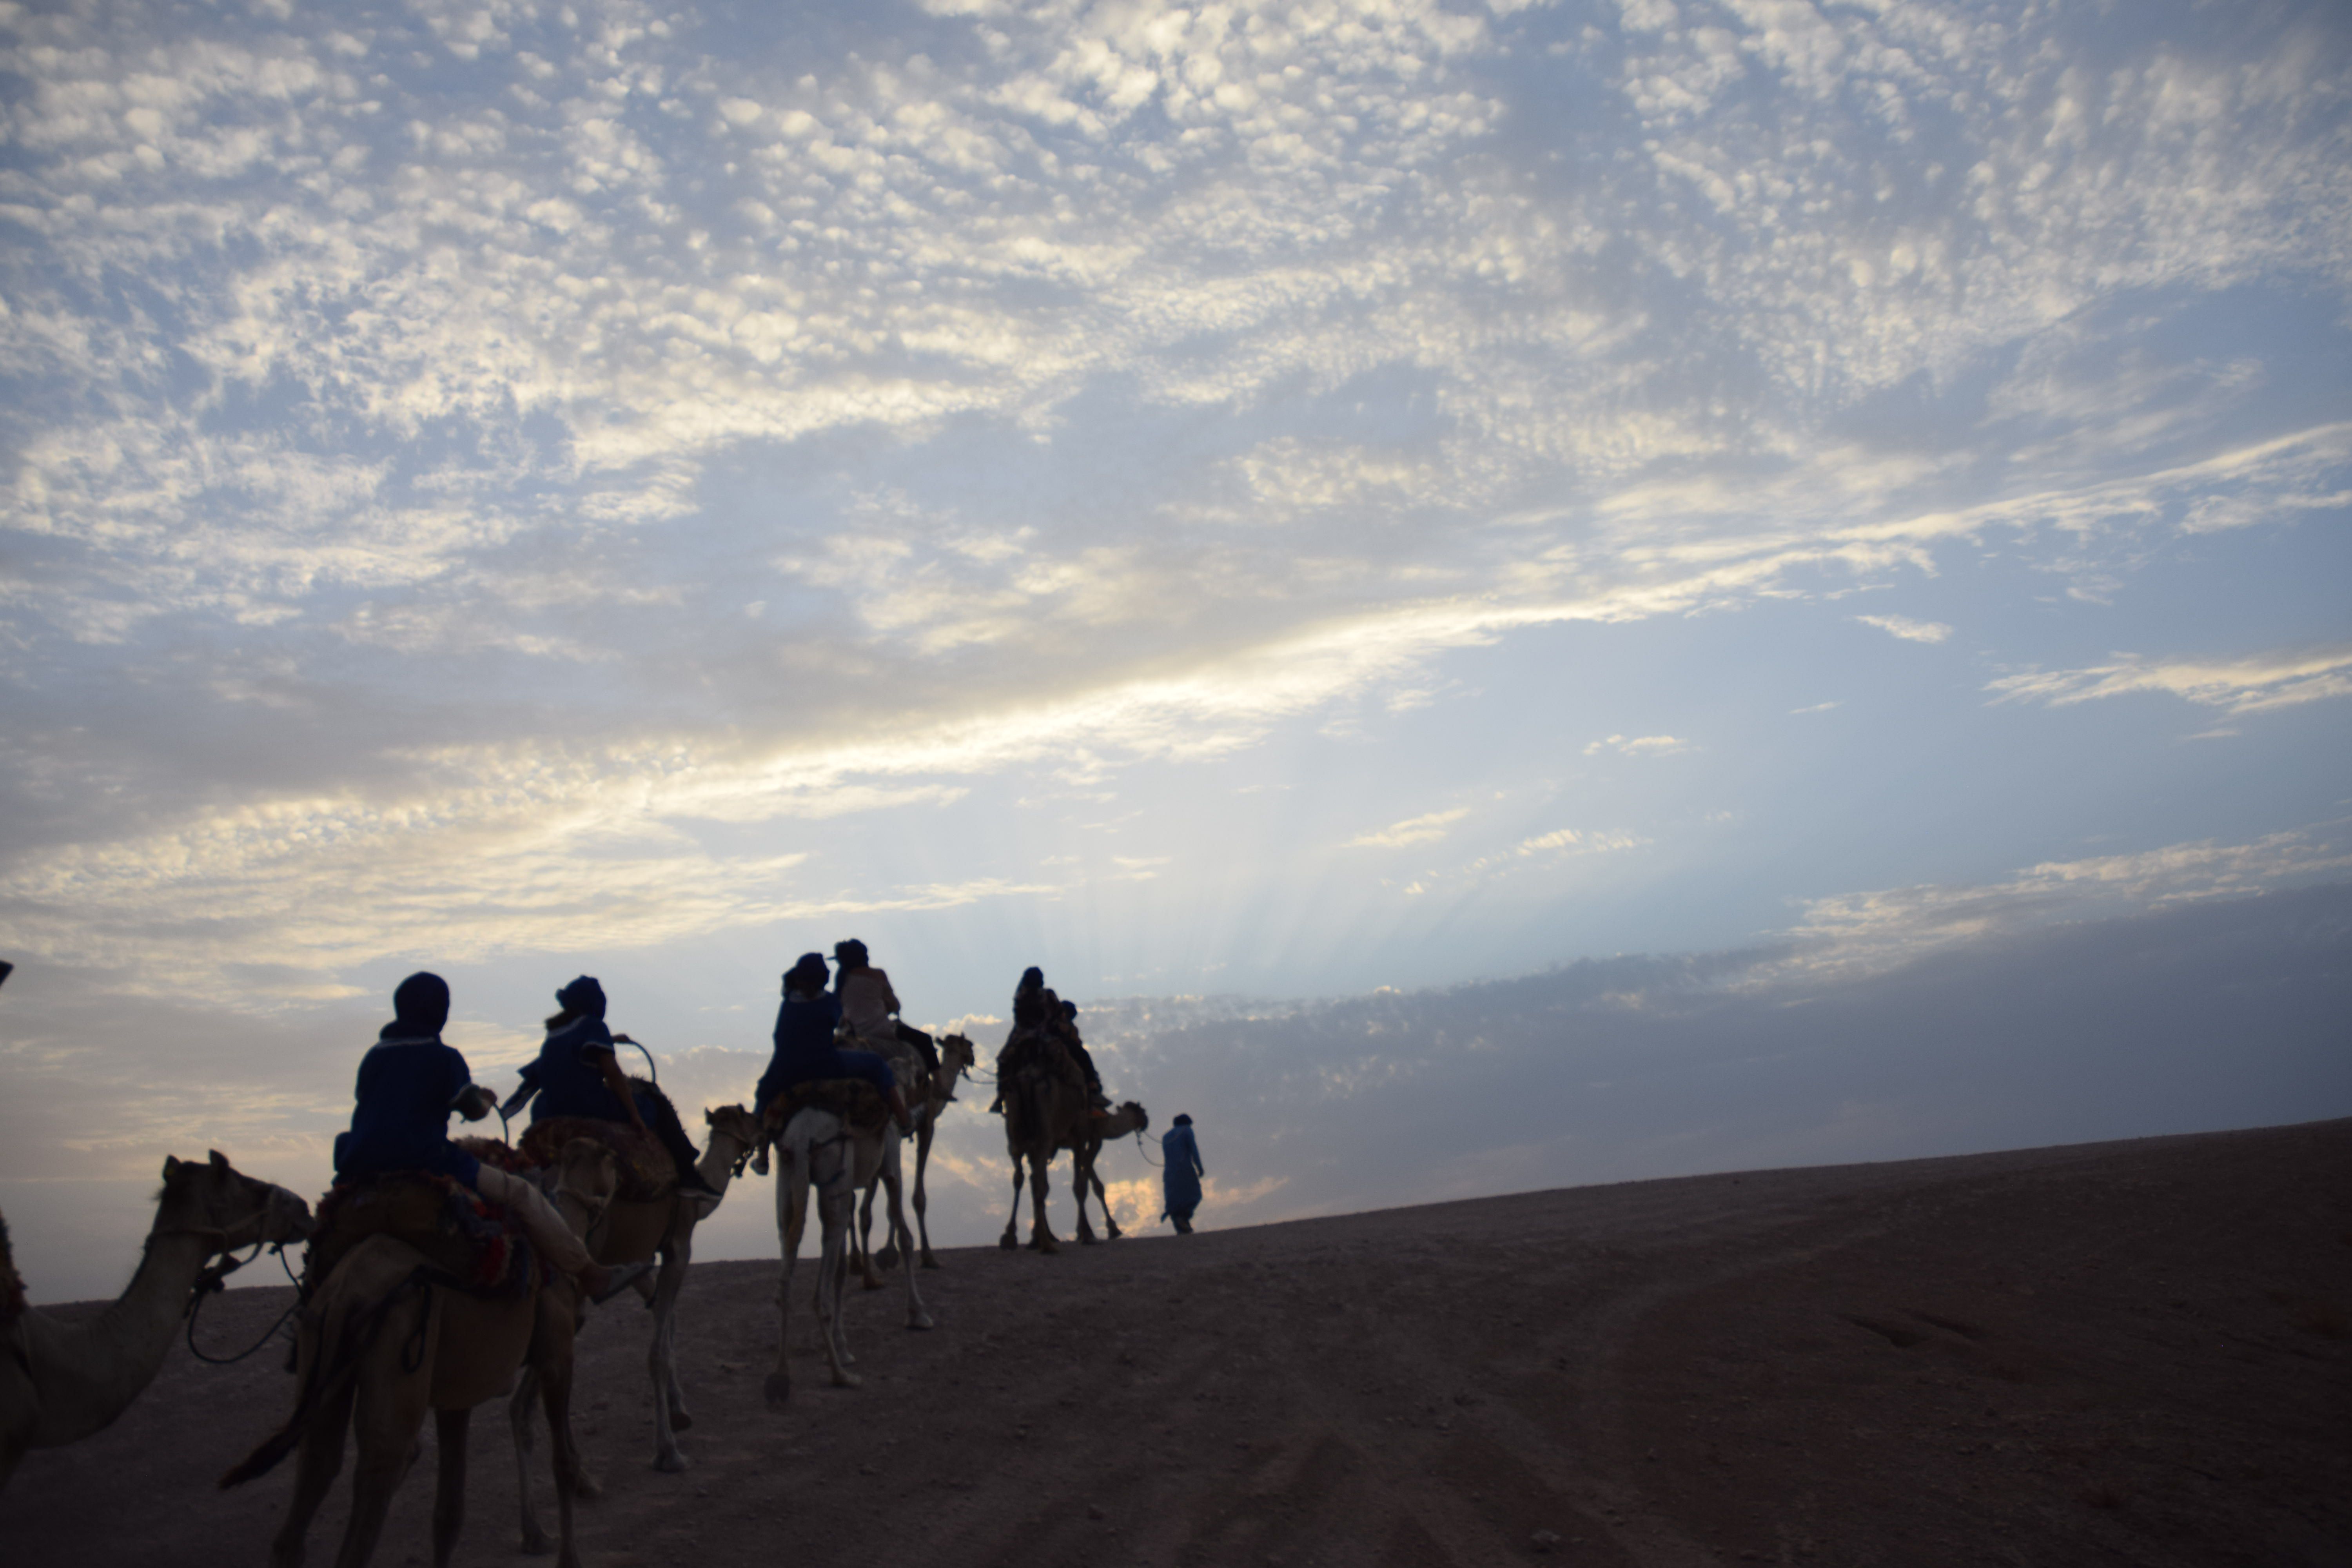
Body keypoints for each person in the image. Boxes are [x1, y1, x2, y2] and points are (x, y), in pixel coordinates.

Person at [332, 971, 650, 1301]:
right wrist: (486, 1098)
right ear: (440, 1012)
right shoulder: (444, 1057)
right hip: (425, 1161)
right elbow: (473, 1110)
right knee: (522, 1194)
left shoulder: (373, 1058)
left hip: (360, 1167)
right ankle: (590, 1274)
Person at [510, 976, 720, 1201]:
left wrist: (609, 1040)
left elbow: (569, 1056)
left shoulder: (554, 1034)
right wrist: (635, 1115)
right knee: (654, 1099)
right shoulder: (594, 1026)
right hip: (587, 1103)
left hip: (548, 1109)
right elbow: (613, 1073)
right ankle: (688, 1173)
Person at [755, 953, 912, 1134]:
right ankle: (905, 1121)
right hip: (823, 1064)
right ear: (823, 979)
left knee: (763, 1093)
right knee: (877, 1064)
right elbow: (842, 1022)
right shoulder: (829, 1002)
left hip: (783, 1068)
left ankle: (755, 1132)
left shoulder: (788, 1002)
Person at [833, 938, 938, 1073]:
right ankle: (939, 1085)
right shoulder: (878, 974)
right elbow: (894, 1006)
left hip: (849, 1032)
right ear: (864, 956)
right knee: (925, 1041)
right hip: (880, 1030)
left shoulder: (841, 982)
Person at [1058, 998, 1110, 1110]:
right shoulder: (1068, 1028)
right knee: (1084, 1056)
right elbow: (1076, 1042)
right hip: (1062, 1050)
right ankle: (1093, 1089)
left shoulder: (1044, 1023)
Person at [1160, 1113, 1205, 1234]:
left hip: (1169, 1173)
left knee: (1175, 1200)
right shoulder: (1187, 1131)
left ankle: (1182, 1226)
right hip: (1184, 1169)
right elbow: (1193, 1150)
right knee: (1194, 1195)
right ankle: (1183, 1219)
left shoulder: (1166, 1136)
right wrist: (1200, 1168)